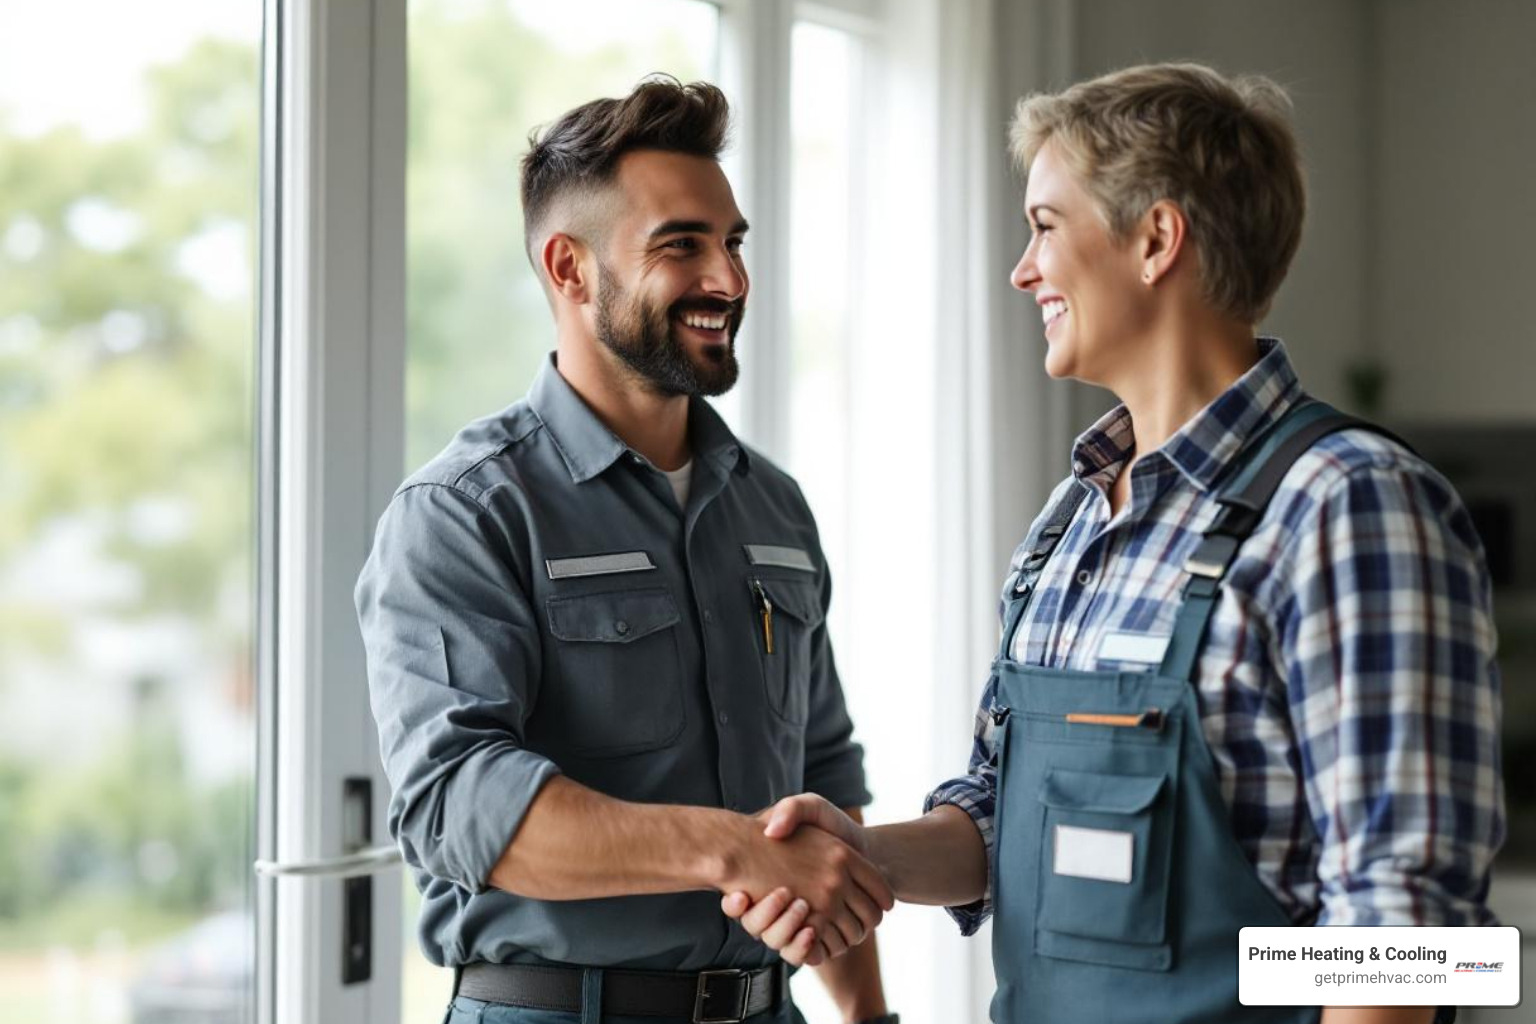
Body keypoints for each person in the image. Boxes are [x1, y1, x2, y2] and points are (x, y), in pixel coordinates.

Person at [722, 62, 1504, 1024]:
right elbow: (1000, 813)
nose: (1022, 268)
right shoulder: (1071, 521)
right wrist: (859, 857)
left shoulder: (1350, 504)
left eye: (1045, 225)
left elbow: (1413, 936)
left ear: (1155, 239)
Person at [355, 77, 896, 1024]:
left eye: (732, 243)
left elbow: (824, 790)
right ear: (569, 268)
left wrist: (869, 1017)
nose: (727, 279)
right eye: (682, 244)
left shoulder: (774, 507)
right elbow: (461, 804)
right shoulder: (465, 514)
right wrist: (735, 848)